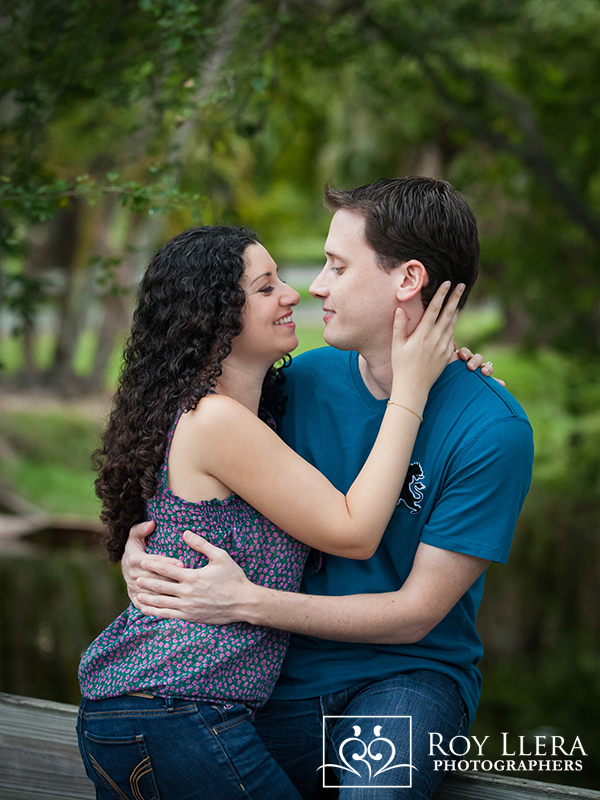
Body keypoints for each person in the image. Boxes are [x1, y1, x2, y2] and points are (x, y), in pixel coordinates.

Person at [122, 177, 534, 800]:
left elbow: (416, 616)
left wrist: (245, 602)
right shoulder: (300, 380)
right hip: (273, 678)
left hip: (406, 679)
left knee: (379, 790)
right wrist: (145, 558)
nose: (314, 286)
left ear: (407, 280)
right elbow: (197, 479)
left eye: (337, 266)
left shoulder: (492, 430)